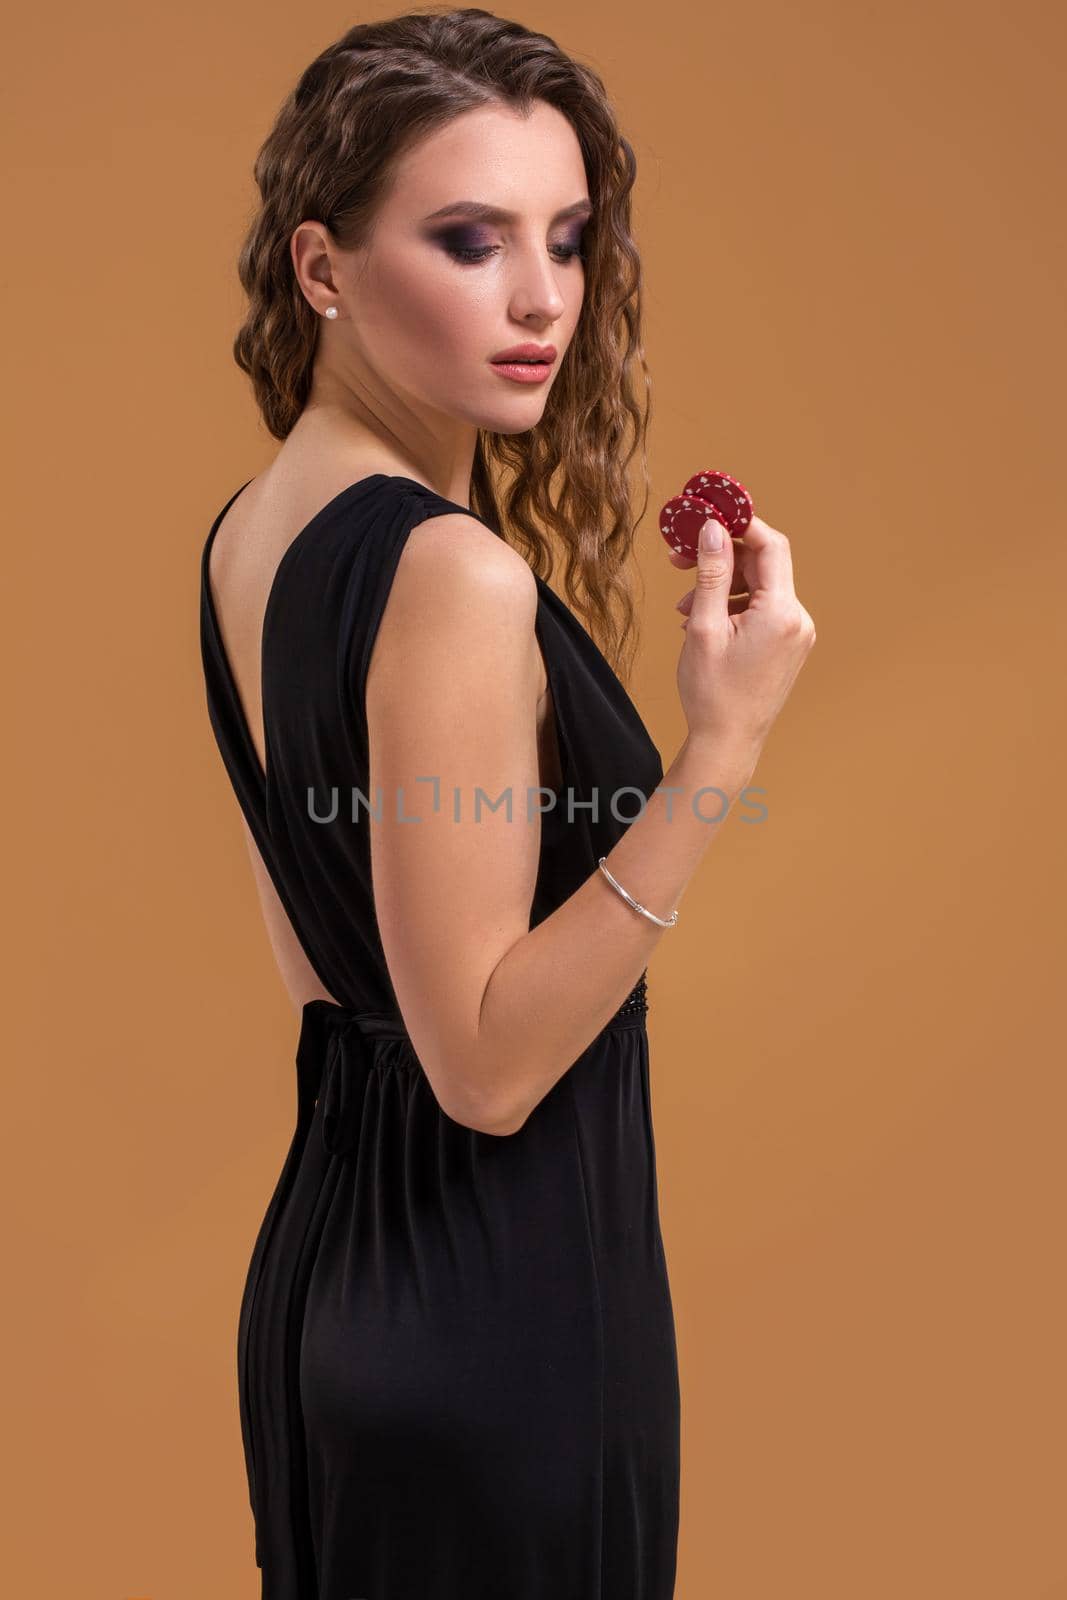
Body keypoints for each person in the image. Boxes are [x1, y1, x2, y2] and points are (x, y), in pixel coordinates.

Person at [198, 10, 816, 1598]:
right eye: (469, 241)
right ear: (321, 267)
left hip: (339, 1290)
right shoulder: (450, 573)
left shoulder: (255, 529)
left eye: (568, 239)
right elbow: (479, 1064)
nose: (542, 298)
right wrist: (717, 757)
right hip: (495, 1320)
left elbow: (332, 978)